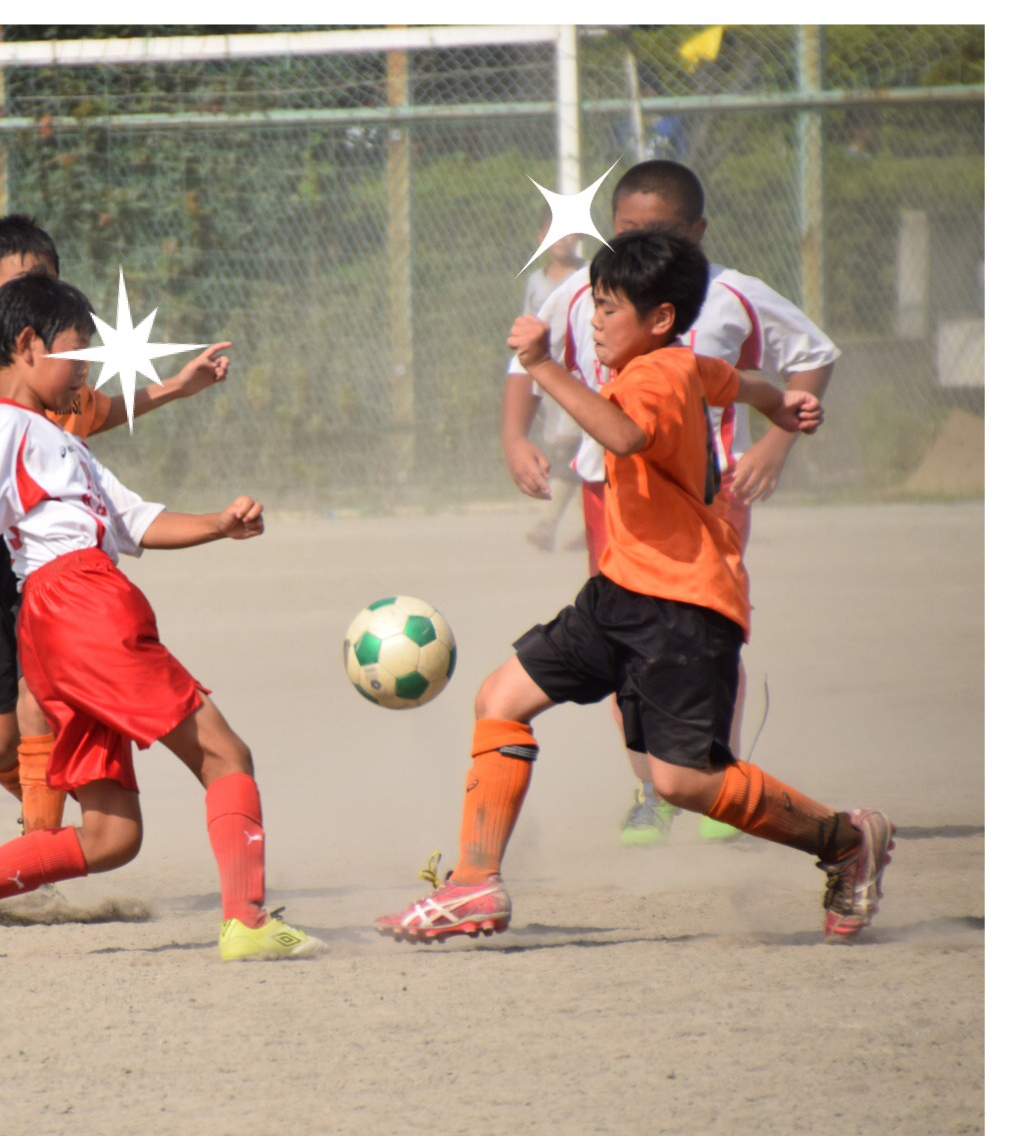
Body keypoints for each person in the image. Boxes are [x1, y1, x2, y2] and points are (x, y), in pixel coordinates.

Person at [377, 230, 893, 946]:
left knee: (684, 783)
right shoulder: (682, 363)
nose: (594, 322)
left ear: (660, 318)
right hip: (620, 594)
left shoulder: (654, 377)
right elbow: (731, 378)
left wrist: (543, 365)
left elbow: (621, 436)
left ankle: (845, 840)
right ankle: (474, 884)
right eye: (594, 305)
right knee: (501, 700)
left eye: (609, 309)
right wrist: (778, 403)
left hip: (683, 608)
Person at [0, 273, 326, 963]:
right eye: (77, 355)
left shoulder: (60, 441)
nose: (84, 374)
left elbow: (134, 520)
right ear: (28, 346)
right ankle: (246, 921)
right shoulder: (7, 425)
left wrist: (218, 524)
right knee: (226, 754)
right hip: (82, 608)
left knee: (113, 837)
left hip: (60, 625)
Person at [503, 160, 840, 845]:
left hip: (708, 496)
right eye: (626, 229)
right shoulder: (590, 292)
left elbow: (800, 357)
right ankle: (652, 787)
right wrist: (515, 438)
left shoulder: (728, 296)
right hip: (612, 493)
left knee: (696, 633)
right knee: (625, 643)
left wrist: (775, 442)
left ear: (696, 232)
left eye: (659, 232)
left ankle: (715, 774)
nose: (639, 245)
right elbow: (526, 367)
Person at [0, 214, 233, 835]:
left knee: (41, 704)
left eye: (47, 279)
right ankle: (41, 832)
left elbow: (98, 414)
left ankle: (43, 843)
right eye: (19, 283)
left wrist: (175, 388)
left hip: (53, 572)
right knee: (2, 738)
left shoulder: (61, 374)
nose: (38, 290)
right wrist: (4, 502)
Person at [512, 212, 585, 553]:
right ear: (540, 237)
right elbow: (530, 324)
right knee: (572, 449)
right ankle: (592, 526)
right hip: (548, 375)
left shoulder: (592, 274)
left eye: (568, 232)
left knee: (569, 447)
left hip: (581, 376)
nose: (562, 239)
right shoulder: (536, 282)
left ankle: (548, 523)